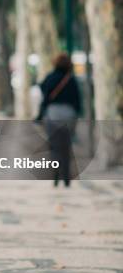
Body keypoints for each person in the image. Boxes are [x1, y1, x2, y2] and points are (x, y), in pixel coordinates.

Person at [39, 52, 81, 188]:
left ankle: (56, 176)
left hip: (53, 114)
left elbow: (44, 97)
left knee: (54, 146)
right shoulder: (71, 79)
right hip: (69, 114)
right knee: (66, 146)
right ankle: (67, 177)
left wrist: (40, 114)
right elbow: (77, 100)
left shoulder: (50, 78)